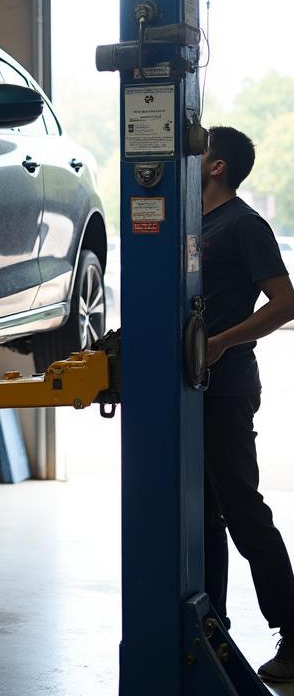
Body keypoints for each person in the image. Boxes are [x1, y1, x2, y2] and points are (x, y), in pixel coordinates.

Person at [201, 125, 294, 682]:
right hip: (191, 385)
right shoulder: (191, 225)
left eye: (199, 147)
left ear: (217, 166)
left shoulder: (244, 225)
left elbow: (286, 303)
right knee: (200, 513)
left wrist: (221, 342)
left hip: (229, 382)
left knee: (242, 510)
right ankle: (212, 625)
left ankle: (293, 631)